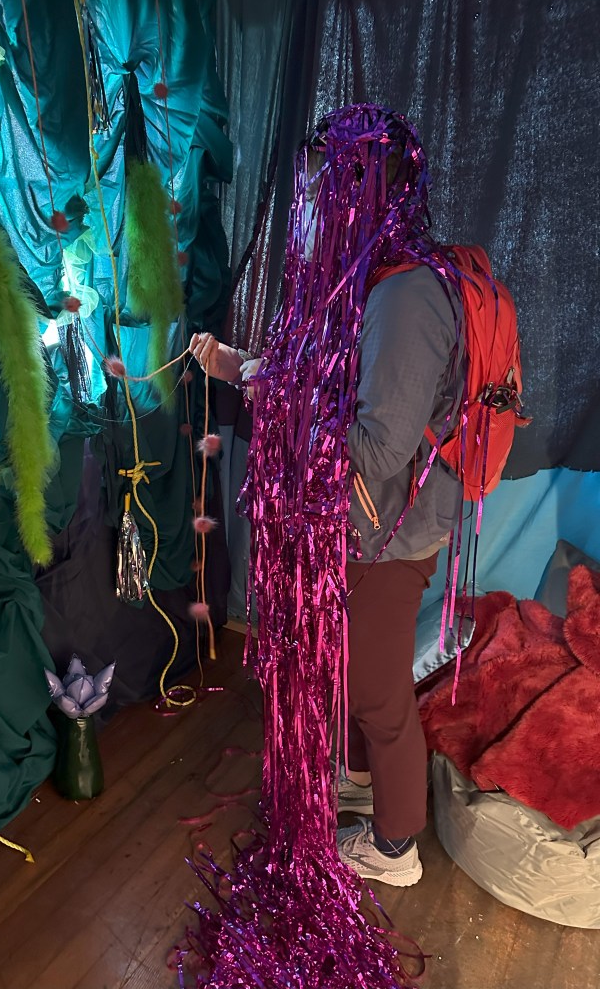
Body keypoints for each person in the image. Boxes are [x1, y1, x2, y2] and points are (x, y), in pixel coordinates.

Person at [189, 104, 464, 887]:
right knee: (351, 669)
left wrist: (267, 394)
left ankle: (396, 847)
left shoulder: (407, 298)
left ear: (365, 193)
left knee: (376, 687)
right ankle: (365, 784)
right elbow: (326, 389)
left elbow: (376, 447)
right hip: (368, 522)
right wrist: (247, 368)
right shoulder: (372, 281)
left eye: (326, 186)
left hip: (394, 531)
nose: (312, 201)